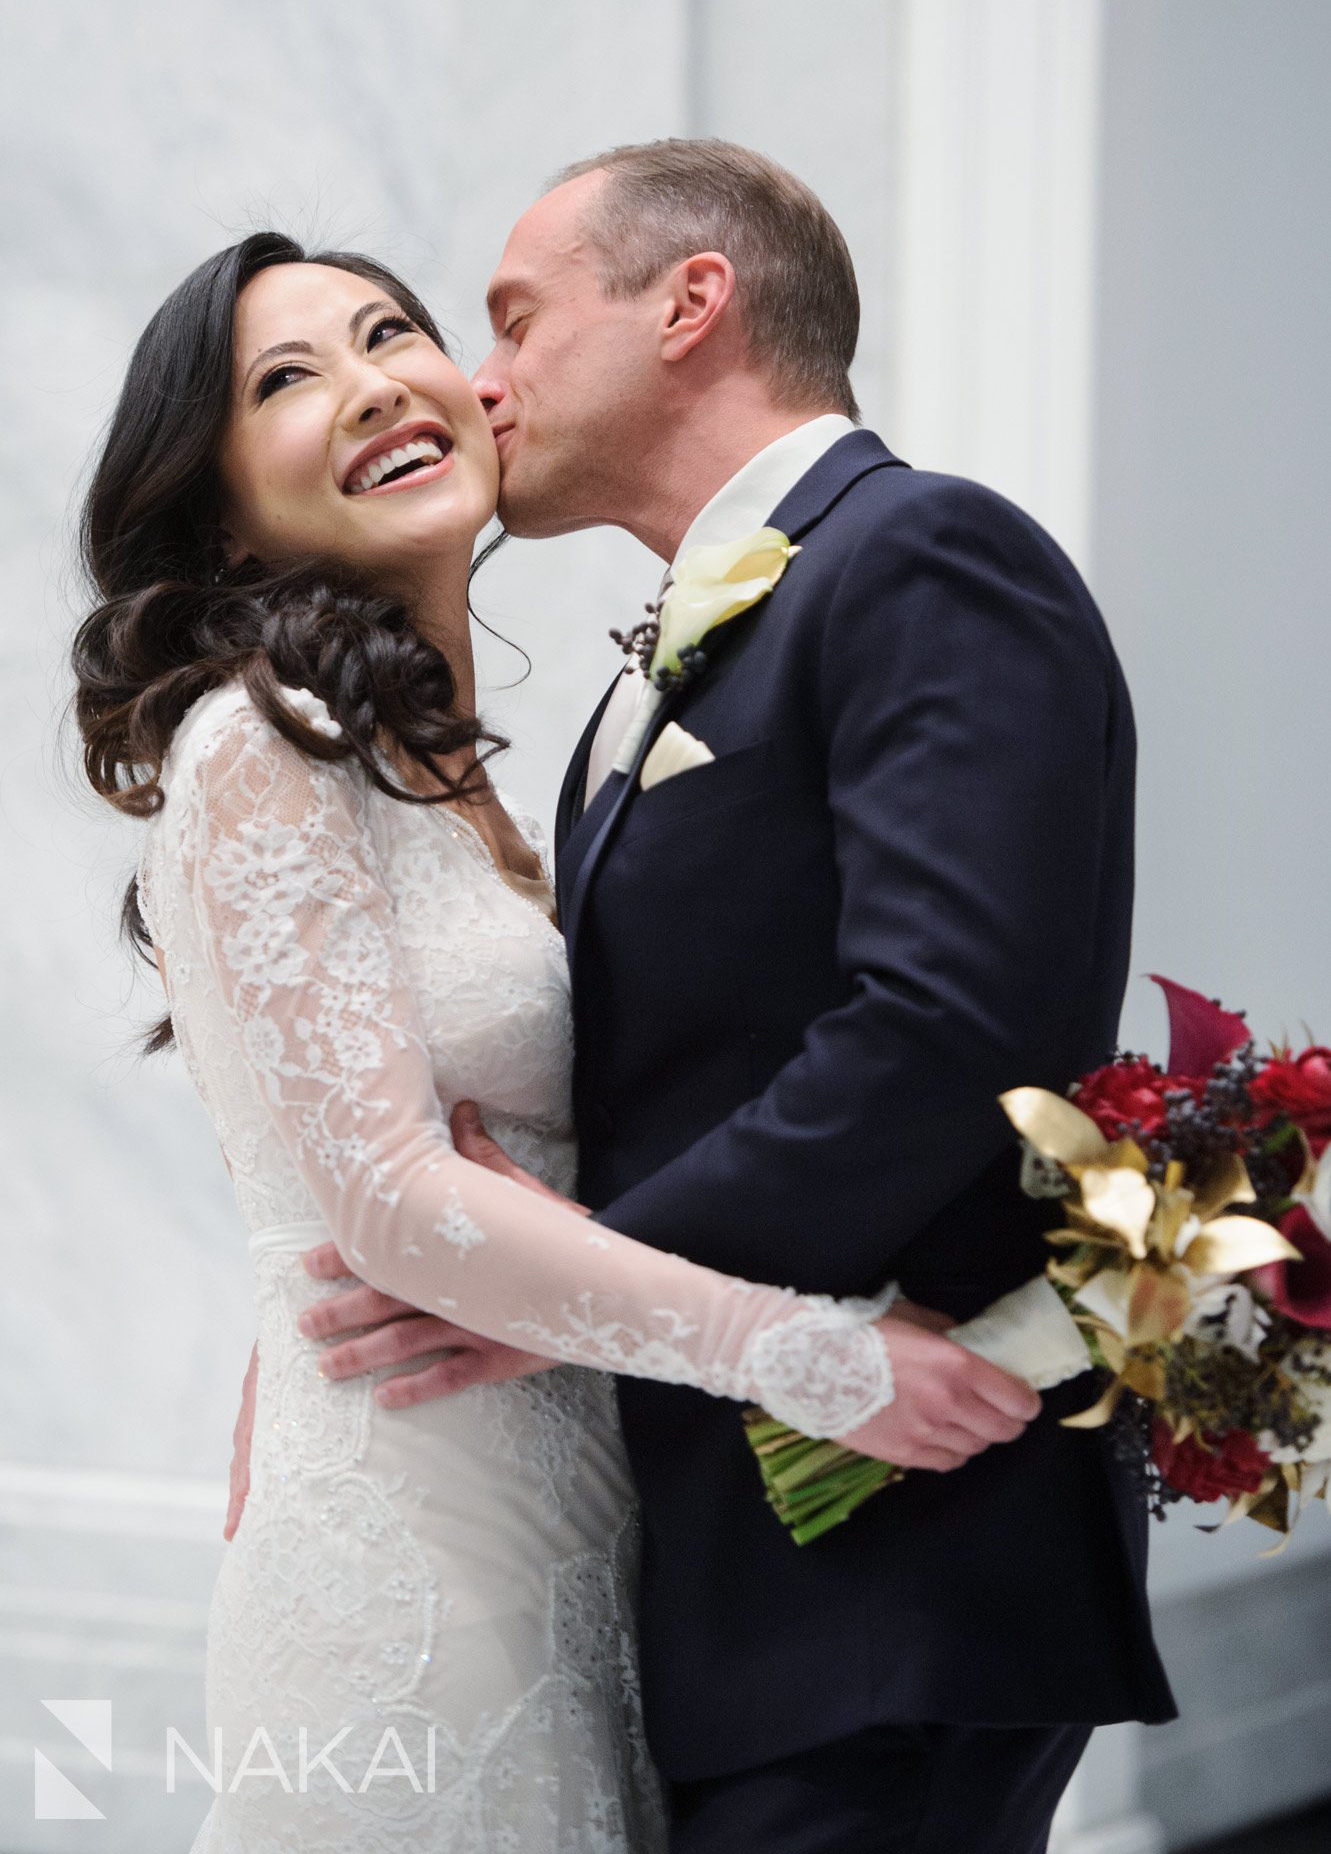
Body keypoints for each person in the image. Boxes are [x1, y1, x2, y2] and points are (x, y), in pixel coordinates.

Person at [72, 225, 1040, 1853]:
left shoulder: (493, 789)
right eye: (289, 380)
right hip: (409, 1550)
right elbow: (382, 1202)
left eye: (395, 331)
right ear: (221, 507)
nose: (375, 382)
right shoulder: (260, 744)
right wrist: (827, 1362)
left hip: (584, 1524)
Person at [282, 140, 1178, 1852]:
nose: (479, 381)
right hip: (730, 1574)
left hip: (895, 1564)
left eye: (516, 320)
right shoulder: (682, 644)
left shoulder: (922, 554)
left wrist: (556, 1281)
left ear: (693, 302)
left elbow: (945, 1033)